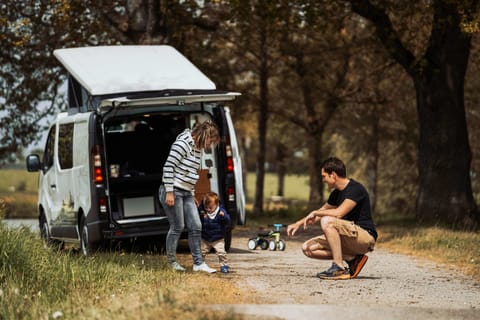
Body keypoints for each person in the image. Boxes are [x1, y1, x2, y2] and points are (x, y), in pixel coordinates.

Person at [287, 157, 377, 280]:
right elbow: (321, 212)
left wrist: (317, 213)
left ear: (333, 175)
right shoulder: (336, 193)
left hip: (364, 238)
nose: (323, 180)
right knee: (307, 248)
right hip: (348, 237)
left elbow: (338, 213)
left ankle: (338, 267)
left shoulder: (356, 189)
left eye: (324, 176)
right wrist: (298, 223)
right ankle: (352, 258)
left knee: (327, 220)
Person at [159, 121, 220, 273]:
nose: (209, 144)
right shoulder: (182, 144)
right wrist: (170, 192)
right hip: (173, 190)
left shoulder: (198, 148)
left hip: (186, 192)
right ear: (204, 136)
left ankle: (198, 264)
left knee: (196, 226)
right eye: (210, 141)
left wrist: (191, 193)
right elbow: (168, 167)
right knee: (177, 227)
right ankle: (171, 263)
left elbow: (192, 173)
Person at [198, 192, 231, 273]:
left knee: (221, 252)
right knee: (201, 252)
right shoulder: (204, 212)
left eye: (210, 208)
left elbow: (227, 220)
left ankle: (224, 265)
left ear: (216, 205)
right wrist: (201, 214)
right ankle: (199, 264)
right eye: (206, 207)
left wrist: (224, 216)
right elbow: (198, 214)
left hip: (218, 238)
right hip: (205, 237)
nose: (208, 209)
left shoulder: (220, 211)